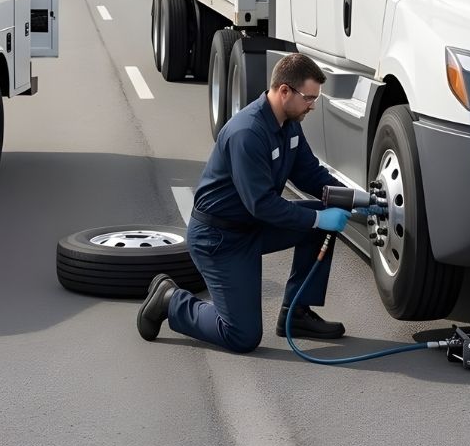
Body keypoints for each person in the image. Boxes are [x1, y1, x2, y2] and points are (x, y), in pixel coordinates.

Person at [137, 52, 351, 353]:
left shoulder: (289, 124)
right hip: (219, 239)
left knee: (321, 218)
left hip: (253, 226)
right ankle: (170, 300)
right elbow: (261, 204)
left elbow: (309, 174)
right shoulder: (248, 133)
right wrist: (318, 219)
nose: (312, 105)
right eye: (309, 98)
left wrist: (353, 199)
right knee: (242, 336)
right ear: (284, 91)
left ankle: (297, 313)